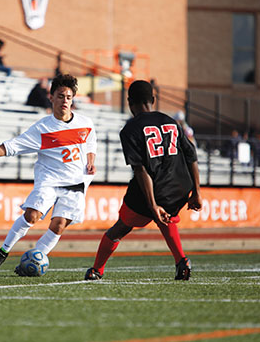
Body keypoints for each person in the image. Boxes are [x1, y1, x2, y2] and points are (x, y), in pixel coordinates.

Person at [0, 74, 97, 275]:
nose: (65, 101)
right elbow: (13, 146)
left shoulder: (85, 123)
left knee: (59, 225)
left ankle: (31, 262)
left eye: (69, 97)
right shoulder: (42, 128)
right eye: (61, 96)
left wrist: (90, 160)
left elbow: (90, 142)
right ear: (52, 97)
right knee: (32, 215)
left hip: (75, 182)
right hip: (50, 180)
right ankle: (3, 252)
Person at [84, 80, 202, 282]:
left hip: (154, 187)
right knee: (166, 218)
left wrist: (152, 204)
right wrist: (197, 193)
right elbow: (191, 156)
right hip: (180, 187)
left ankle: (97, 269)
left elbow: (140, 169)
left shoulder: (130, 130)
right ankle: (181, 261)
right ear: (153, 100)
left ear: (129, 102)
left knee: (120, 228)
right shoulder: (171, 121)